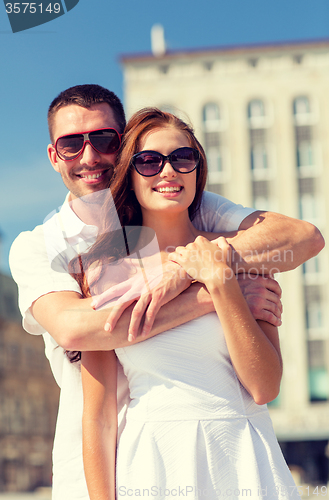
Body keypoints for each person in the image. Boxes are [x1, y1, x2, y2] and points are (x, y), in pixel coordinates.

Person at [8, 85, 323, 500]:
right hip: (121, 465)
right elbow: (76, 330)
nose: (89, 156)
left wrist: (199, 270)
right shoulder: (57, 252)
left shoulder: (208, 219)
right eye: (71, 144)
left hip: (242, 455)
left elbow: (303, 237)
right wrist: (213, 291)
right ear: (54, 155)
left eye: (104, 140)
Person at [79, 108, 310, 500]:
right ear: (129, 176)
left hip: (242, 457)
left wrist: (219, 280)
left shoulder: (242, 259)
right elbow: (99, 417)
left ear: (197, 171)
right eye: (149, 161)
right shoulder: (104, 273)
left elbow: (264, 386)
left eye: (182, 159)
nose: (168, 171)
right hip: (153, 460)